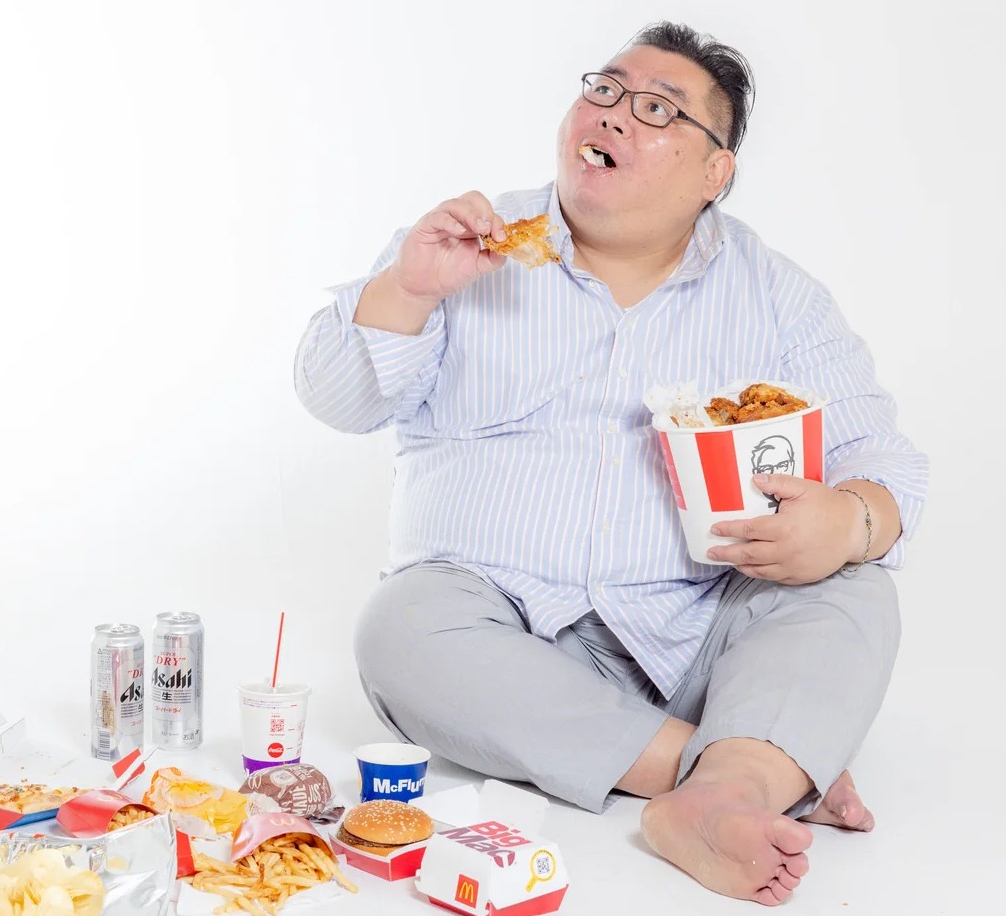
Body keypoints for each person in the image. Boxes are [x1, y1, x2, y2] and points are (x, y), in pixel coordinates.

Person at [293, 20, 929, 907]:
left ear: (714, 173)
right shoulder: (466, 248)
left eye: (659, 109)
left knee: (856, 588)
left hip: (700, 630)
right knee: (398, 629)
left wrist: (851, 520)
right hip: (497, 626)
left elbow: (883, 459)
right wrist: (405, 290)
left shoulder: (779, 296)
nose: (616, 114)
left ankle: (727, 772)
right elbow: (337, 401)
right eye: (604, 90)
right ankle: (744, 774)